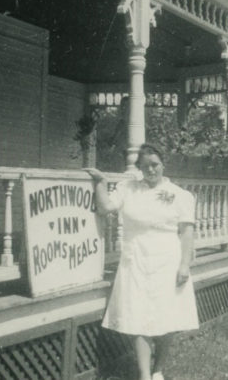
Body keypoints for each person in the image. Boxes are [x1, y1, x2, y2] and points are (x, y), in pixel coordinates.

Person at [85, 144, 199, 380]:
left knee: (168, 316)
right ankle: (145, 376)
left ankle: (159, 369)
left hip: (168, 260)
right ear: (139, 167)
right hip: (135, 259)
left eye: (155, 164)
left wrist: (184, 265)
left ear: (163, 163)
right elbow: (106, 207)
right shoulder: (128, 188)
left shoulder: (180, 195)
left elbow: (186, 232)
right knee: (138, 317)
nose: (151, 170)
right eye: (145, 166)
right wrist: (101, 183)